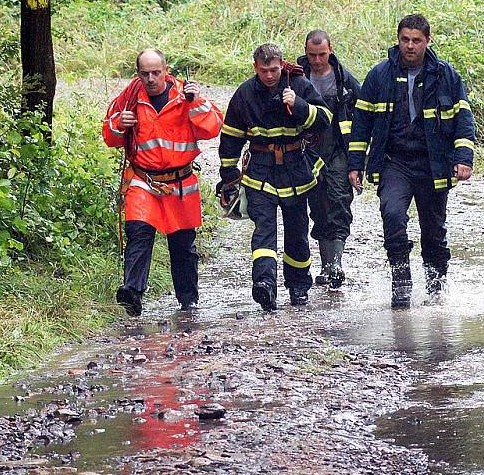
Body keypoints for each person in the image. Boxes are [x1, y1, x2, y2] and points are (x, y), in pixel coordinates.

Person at [347, 14, 475, 308]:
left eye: (416, 40)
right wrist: (356, 163)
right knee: (392, 215)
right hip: (395, 162)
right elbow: (361, 123)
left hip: (434, 164)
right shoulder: (379, 75)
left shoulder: (446, 76)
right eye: (405, 39)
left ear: (428, 41)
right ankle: (401, 281)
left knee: (434, 231)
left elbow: (463, 121)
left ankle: (436, 288)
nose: (410, 46)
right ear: (398, 39)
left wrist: (463, 157)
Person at [102, 48, 223, 316]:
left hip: (180, 184)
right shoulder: (129, 99)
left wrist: (196, 102)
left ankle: (188, 302)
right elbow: (109, 137)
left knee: (182, 246)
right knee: (139, 234)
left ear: (166, 70)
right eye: (145, 74)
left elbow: (213, 127)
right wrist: (119, 124)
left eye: (156, 72)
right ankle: (132, 293)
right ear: (138, 74)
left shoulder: (185, 95)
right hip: (143, 180)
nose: (151, 78)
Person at [218, 43, 331, 311]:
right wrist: (228, 175)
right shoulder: (245, 93)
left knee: (297, 233)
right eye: (264, 70)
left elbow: (325, 118)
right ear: (255, 68)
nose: (270, 76)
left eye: (274, 70)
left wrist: (300, 105)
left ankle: (299, 286)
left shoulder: (299, 84)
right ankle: (265, 285)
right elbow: (231, 136)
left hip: (295, 171)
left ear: (282, 65)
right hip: (260, 173)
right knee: (264, 232)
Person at [297, 30, 359, 288]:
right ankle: (326, 265)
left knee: (339, 201)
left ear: (330, 50)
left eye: (322, 54)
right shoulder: (296, 78)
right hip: (308, 153)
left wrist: (360, 158)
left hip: (338, 152)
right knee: (319, 206)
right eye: (312, 55)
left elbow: (366, 117)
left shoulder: (346, 81)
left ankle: (335, 264)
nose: (317, 60)